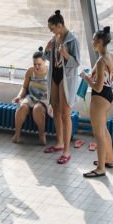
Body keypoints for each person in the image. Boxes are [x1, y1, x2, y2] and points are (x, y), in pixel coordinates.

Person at [81, 26, 113, 178]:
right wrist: (105, 80)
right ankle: (109, 160)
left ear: (99, 42)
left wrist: (86, 78)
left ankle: (100, 168)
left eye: (93, 39)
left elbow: (97, 88)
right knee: (103, 130)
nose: (92, 42)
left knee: (98, 134)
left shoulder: (100, 61)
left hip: (99, 98)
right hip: (109, 95)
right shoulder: (112, 57)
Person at [42, 10, 82, 165]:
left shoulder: (73, 41)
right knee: (56, 110)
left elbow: (76, 63)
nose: (51, 31)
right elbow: (48, 58)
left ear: (59, 25)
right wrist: (47, 49)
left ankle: (67, 150)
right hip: (54, 75)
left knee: (65, 114)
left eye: (52, 28)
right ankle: (59, 143)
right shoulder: (55, 38)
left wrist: (66, 55)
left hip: (66, 79)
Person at [11, 46, 51, 146]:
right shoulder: (30, 71)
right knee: (22, 108)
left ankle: (42, 135)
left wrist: (50, 93)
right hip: (31, 97)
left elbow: (56, 89)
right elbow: (24, 87)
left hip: (44, 99)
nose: (36, 67)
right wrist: (19, 96)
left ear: (45, 62)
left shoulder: (50, 72)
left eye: (39, 64)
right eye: (34, 64)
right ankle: (17, 134)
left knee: (37, 109)